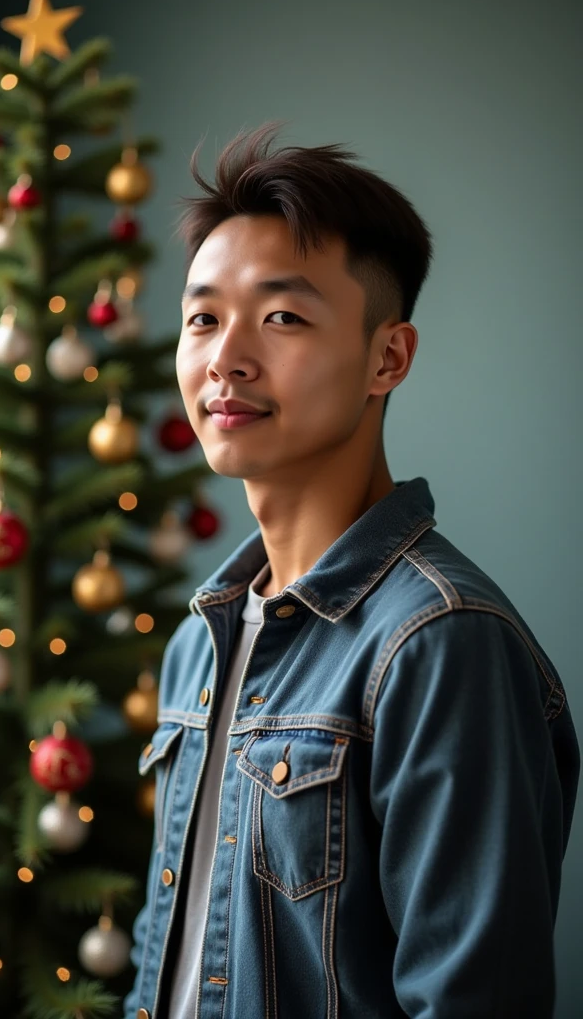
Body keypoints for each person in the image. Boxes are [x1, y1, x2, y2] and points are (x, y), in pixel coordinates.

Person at [123, 121, 580, 1019]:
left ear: (387, 357)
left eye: (282, 316)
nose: (226, 358)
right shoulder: (197, 641)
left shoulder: (441, 643)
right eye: (204, 318)